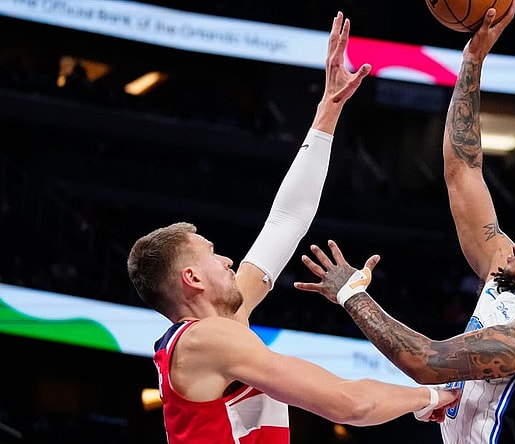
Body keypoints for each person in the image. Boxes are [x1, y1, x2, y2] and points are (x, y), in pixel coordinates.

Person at [295, 2, 515, 443]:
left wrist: (353, 294)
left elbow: (427, 360)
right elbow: (462, 169)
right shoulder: (504, 269)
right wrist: (471, 61)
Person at [126, 12, 459, 444]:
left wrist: (328, 110)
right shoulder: (206, 340)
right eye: (212, 254)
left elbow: (287, 220)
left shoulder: (226, 321)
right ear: (191, 278)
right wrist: (434, 396)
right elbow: (349, 404)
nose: (228, 259)